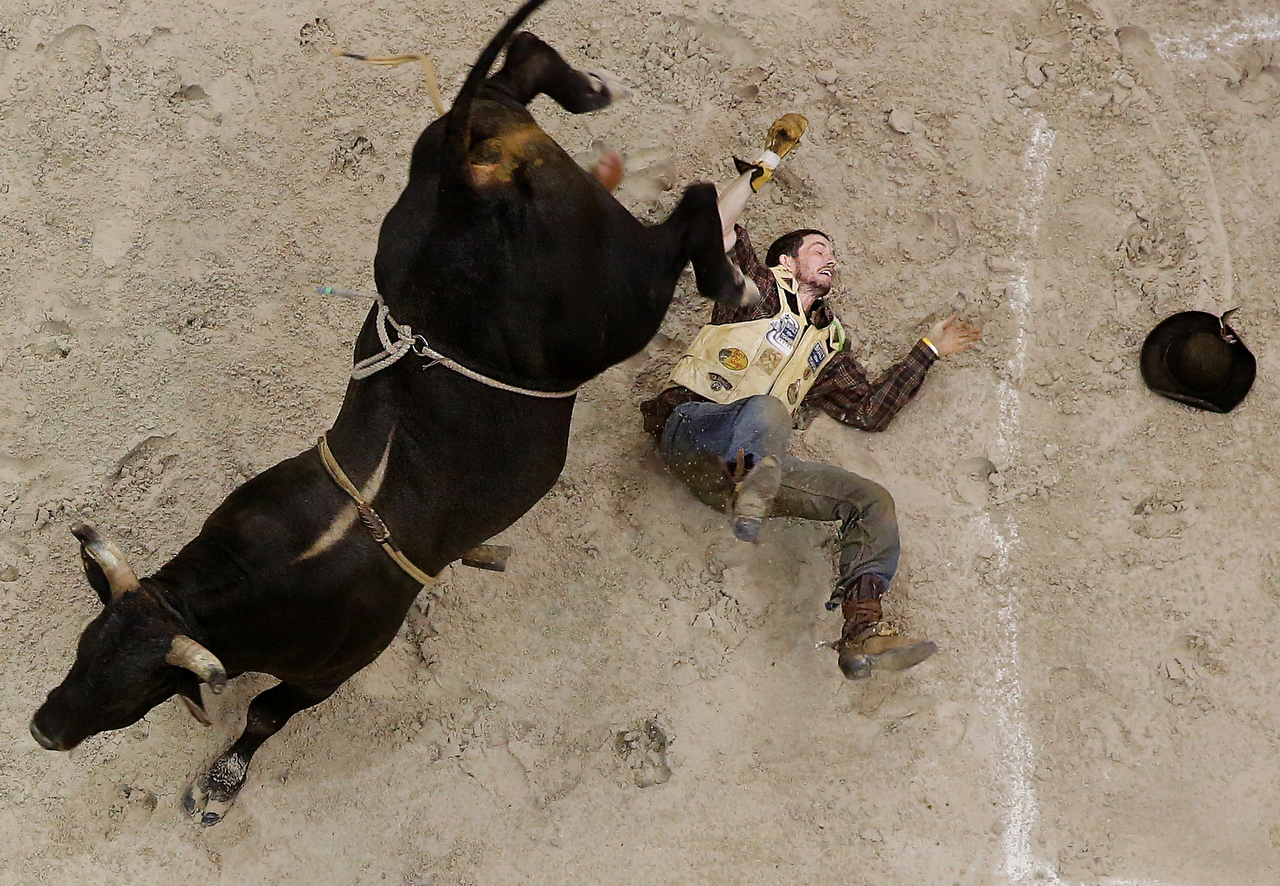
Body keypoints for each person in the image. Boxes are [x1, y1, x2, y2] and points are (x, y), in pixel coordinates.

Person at [639, 114, 981, 679]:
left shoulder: (830, 343)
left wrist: (929, 351)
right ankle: (757, 477)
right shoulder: (754, 290)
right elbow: (715, 228)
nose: (831, 258)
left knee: (872, 501)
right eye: (819, 249)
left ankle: (862, 631)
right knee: (769, 411)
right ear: (786, 261)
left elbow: (869, 410)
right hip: (693, 428)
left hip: (733, 483)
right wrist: (764, 167)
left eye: (832, 254)